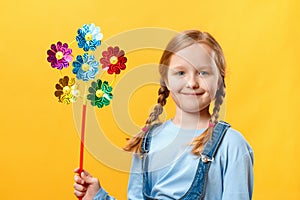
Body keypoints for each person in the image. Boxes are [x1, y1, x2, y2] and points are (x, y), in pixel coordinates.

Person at [73, 30, 254, 200]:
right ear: (166, 79)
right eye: (181, 72)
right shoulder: (148, 142)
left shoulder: (232, 146)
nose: (192, 82)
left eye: (203, 72)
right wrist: (97, 195)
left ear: (219, 79)